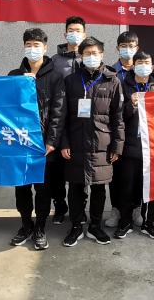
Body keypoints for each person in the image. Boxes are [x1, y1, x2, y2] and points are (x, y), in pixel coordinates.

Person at [60, 37, 125, 247]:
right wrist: (64, 142)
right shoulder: (71, 80)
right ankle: (76, 225)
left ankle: (95, 226)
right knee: (75, 187)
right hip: (76, 143)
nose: (91, 57)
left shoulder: (112, 81)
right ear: (81, 56)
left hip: (102, 144)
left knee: (98, 188)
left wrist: (117, 146)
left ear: (102, 55)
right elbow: (63, 116)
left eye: (94, 53)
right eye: (87, 53)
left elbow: (118, 118)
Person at [7, 28, 65, 250]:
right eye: (28, 45)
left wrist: (52, 141)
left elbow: (59, 112)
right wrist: (22, 85)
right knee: (21, 188)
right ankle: (25, 224)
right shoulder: (14, 75)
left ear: (45, 48)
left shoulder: (55, 76)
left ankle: (40, 227)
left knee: (43, 189)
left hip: (43, 144)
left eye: (36, 45)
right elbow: (6, 107)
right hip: (20, 142)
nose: (32, 49)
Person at [114, 50, 154, 240]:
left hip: (152, 147)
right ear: (133, 66)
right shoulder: (122, 86)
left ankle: (148, 223)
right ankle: (125, 222)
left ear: (152, 67)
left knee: (150, 189)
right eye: (140, 63)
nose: (143, 66)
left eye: (147, 63)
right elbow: (117, 116)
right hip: (129, 146)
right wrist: (131, 104)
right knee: (126, 187)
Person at [49, 16, 86, 223]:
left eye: (78, 30)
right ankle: (60, 205)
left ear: (84, 34)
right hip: (58, 117)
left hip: (81, 120)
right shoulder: (55, 60)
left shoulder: (89, 57)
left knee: (79, 168)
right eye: (71, 30)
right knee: (56, 170)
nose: (74, 34)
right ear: (65, 34)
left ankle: (79, 208)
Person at [106, 30, 140, 229]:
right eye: (124, 46)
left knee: (136, 175)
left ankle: (136, 208)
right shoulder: (111, 72)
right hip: (115, 131)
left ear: (137, 48)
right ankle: (116, 209)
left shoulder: (142, 71)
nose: (128, 50)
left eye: (132, 46)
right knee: (116, 174)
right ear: (118, 48)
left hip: (137, 132)